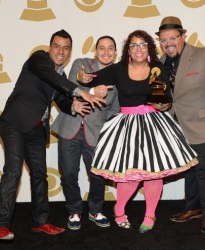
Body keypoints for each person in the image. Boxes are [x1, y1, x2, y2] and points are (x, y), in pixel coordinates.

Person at [0, 29, 105, 241]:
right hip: (14, 124)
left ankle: (41, 222)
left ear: (70, 51)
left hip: (37, 129)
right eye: (57, 46)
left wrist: (74, 107)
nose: (61, 51)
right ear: (49, 47)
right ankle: (1, 225)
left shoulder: (61, 75)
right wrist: (82, 92)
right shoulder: (38, 60)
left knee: (40, 176)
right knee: (13, 172)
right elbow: (51, 78)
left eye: (66, 48)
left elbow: (61, 100)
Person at [83, 30, 198, 233]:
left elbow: (165, 97)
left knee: (154, 174)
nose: (138, 49)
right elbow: (89, 79)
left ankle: (150, 214)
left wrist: (163, 105)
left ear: (149, 48)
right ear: (128, 49)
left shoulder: (158, 69)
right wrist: (79, 76)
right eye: (134, 45)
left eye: (143, 44)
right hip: (127, 126)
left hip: (154, 124)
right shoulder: (118, 69)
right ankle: (119, 210)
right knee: (130, 175)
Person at [155, 16, 205, 233]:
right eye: (163, 40)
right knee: (189, 170)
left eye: (173, 37)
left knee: (204, 172)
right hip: (179, 127)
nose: (168, 43)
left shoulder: (202, 54)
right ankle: (193, 208)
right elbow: (171, 95)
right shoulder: (161, 63)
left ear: (183, 36)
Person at [51, 35, 119, 230]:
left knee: (97, 175)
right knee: (69, 173)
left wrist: (106, 128)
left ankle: (95, 210)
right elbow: (72, 84)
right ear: (95, 51)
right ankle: (74, 210)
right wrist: (88, 85)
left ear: (115, 53)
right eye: (102, 48)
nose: (106, 52)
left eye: (110, 48)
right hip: (69, 128)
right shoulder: (81, 64)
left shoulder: (118, 76)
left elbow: (115, 109)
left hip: (96, 133)